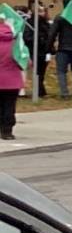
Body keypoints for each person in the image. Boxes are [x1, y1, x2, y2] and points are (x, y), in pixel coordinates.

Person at [0, 9, 19, 140]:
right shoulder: (16, 43)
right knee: (10, 105)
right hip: (13, 80)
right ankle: (7, 131)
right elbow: (26, 62)